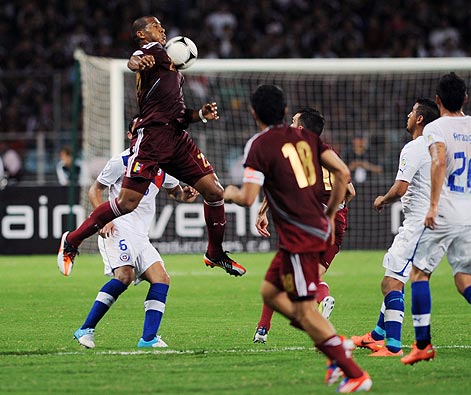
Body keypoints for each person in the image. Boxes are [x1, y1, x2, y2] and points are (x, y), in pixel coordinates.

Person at [57, 16, 245, 278]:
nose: (162, 30)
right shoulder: (151, 52)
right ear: (142, 35)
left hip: (177, 138)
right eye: (156, 27)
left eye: (162, 26)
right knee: (126, 203)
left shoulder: (173, 71)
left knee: (214, 191)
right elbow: (133, 60)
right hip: (152, 139)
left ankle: (214, 252)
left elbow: (178, 114)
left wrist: (199, 115)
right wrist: (136, 63)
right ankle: (72, 241)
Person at [224, 85, 371, 393]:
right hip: (306, 231)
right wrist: (330, 214)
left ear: (254, 113)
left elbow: (248, 196)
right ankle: (330, 342)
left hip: (300, 235)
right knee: (270, 291)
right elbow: (343, 173)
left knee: (304, 309)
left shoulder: (260, 144)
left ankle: (349, 366)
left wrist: (226, 192)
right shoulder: (308, 139)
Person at [400, 73, 471, 368]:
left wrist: (433, 205)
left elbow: (438, 162)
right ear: (465, 99)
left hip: (446, 210)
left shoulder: (435, 128)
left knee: (419, 274)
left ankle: (422, 345)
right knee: (465, 280)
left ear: (437, 101)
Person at [73, 126, 199, 349]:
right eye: (138, 132)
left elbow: (175, 191)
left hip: (141, 235)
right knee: (124, 276)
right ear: (131, 136)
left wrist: (184, 195)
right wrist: (105, 218)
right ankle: (86, 329)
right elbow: (94, 190)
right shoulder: (121, 161)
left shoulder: (163, 166)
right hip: (118, 227)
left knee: (162, 278)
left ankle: (148, 338)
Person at [253, 107, 356, 343]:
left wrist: (263, 210)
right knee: (308, 276)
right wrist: (334, 211)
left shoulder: (294, 153)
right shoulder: (328, 152)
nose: (289, 125)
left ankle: (262, 329)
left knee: (280, 275)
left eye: (293, 121)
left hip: (304, 222)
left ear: (300, 129)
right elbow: (350, 190)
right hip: (334, 224)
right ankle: (322, 300)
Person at [351, 99, 440, 357]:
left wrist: (382, 199)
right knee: (398, 279)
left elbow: (401, 188)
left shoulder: (414, 148)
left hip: (418, 224)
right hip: (432, 221)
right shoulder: (437, 147)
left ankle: (392, 347)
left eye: (412, 112)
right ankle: (377, 335)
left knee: (390, 281)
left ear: (420, 119)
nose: (408, 115)